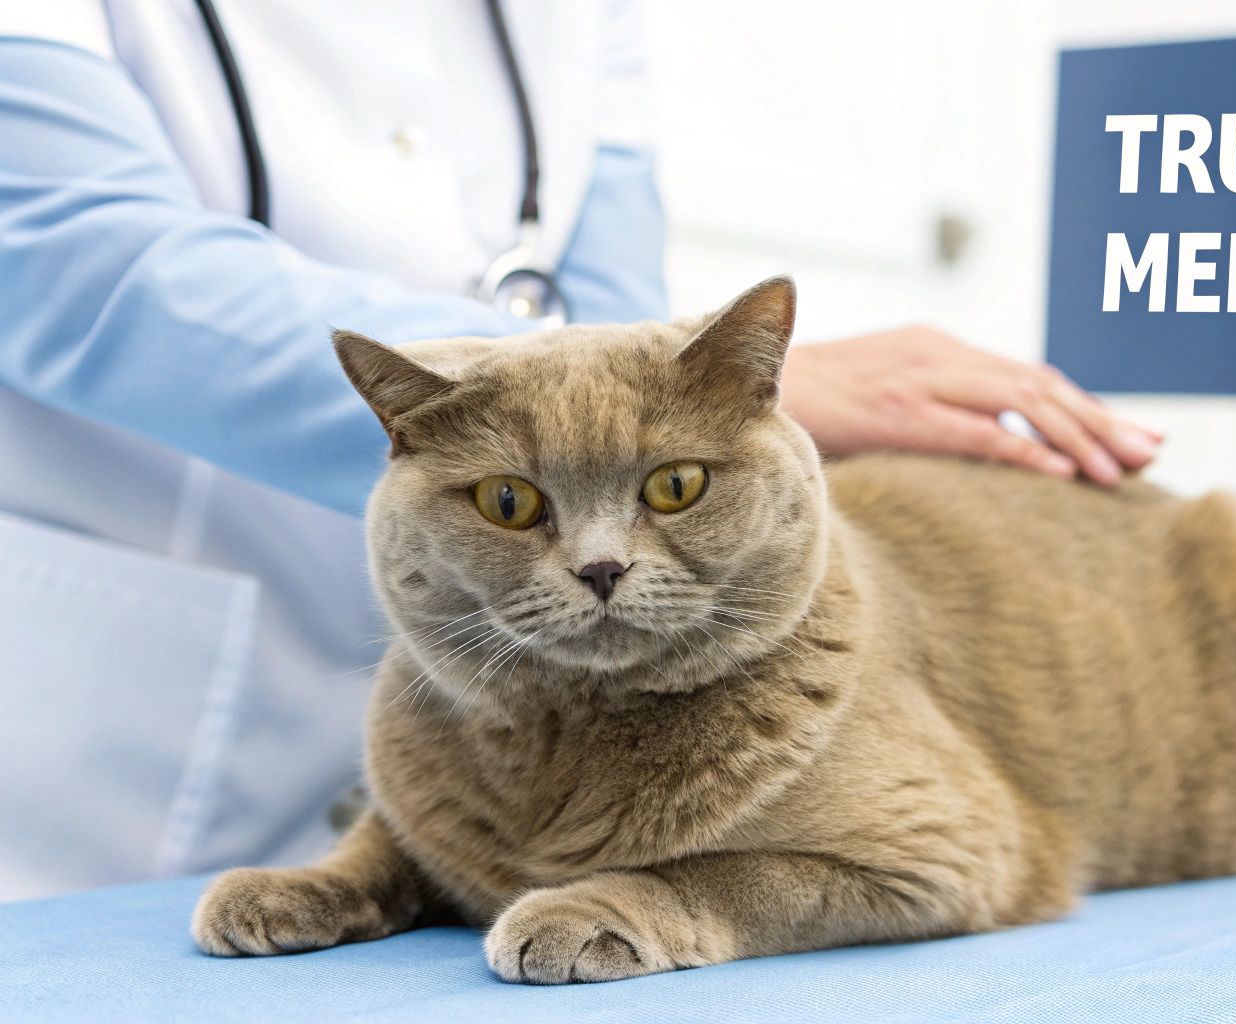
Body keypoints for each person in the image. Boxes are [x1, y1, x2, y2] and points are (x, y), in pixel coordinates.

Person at [0, 2, 1161, 899]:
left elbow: (605, 299)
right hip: (129, 751)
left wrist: (693, 402)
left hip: (566, 671)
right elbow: (66, 252)